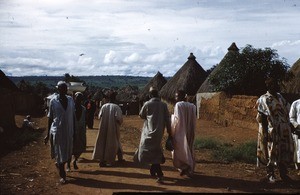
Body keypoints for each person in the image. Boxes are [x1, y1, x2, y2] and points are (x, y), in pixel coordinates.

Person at [255, 76, 294, 183]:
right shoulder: (264, 99)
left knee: (283, 151)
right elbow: (262, 116)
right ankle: (270, 174)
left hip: (284, 129)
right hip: (271, 129)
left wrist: (290, 126)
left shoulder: (281, 97)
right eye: (275, 84)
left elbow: (288, 111)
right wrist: (265, 133)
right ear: (270, 85)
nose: (278, 86)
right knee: (271, 151)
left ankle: (283, 174)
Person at [133, 87, 172, 183]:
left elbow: (141, 115)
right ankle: (153, 169)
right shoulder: (163, 105)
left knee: (145, 148)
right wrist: (170, 132)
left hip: (148, 131)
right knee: (156, 149)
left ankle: (160, 174)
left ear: (150, 95)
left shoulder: (147, 104)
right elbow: (167, 119)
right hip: (159, 132)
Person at [44, 81, 75, 184]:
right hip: (58, 131)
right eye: (62, 88)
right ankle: (62, 175)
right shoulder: (53, 101)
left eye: (65, 88)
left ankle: (59, 165)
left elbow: (72, 116)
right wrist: (48, 134)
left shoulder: (71, 100)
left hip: (68, 131)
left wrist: (74, 130)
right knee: (60, 153)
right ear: (58, 89)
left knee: (68, 153)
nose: (64, 90)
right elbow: (50, 118)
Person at [92, 90, 124, 167]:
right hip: (113, 128)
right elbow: (119, 119)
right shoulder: (116, 107)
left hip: (103, 128)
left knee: (102, 143)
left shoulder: (104, 106)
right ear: (115, 98)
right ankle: (111, 159)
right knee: (114, 143)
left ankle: (102, 160)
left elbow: (100, 116)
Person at [170, 89, 196, 177]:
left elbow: (176, 120)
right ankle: (187, 168)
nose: (175, 98)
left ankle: (184, 166)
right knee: (189, 147)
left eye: (177, 96)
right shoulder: (192, 106)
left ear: (181, 96)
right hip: (190, 130)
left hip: (180, 131)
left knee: (180, 149)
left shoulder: (178, 105)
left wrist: (172, 131)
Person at [66, 92, 86, 171]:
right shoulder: (70, 108)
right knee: (70, 148)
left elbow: (84, 120)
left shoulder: (83, 109)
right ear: (74, 98)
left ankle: (74, 161)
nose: (79, 100)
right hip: (72, 130)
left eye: (80, 99)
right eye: (77, 98)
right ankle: (68, 165)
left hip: (81, 130)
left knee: (81, 147)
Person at [289, 98, 300, 175]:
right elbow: (291, 117)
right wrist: (297, 126)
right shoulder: (296, 103)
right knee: (299, 150)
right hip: (299, 130)